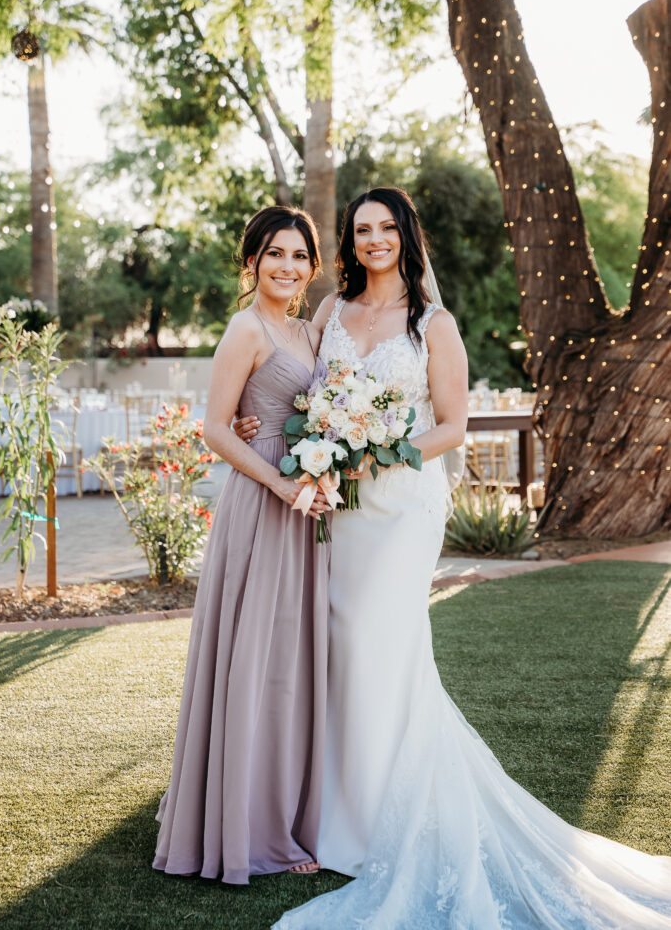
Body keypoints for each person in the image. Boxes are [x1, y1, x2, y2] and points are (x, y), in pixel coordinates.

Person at [236, 187, 671, 928]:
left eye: (385, 228)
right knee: (338, 649)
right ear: (350, 241)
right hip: (338, 507)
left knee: (383, 648)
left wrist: (373, 453)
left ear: (405, 236)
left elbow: (452, 427)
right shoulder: (330, 313)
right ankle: (334, 817)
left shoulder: (432, 324)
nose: (373, 240)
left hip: (401, 506)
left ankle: (379, 821)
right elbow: (294, 385)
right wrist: (260, 422)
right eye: (361, 229)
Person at [153, 205, 331, 885]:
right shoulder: (246, 327)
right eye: (273, 254)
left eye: (298, 256)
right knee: (255, 659)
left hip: (306, 505)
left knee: (290, 661)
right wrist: (280, 484)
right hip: (263, 507)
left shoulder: (306, 330)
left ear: (311, 267)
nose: (286, 267)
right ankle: (246, 828)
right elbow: (215, 430)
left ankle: (286, 811)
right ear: (250, 260)